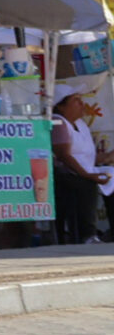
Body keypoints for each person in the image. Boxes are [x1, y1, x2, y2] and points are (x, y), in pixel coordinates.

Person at [51, 90, 111, 245]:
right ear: (61, 107)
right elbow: (64, 156)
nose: (82, 104)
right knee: (87, 185)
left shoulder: (81, 124)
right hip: (65, 173)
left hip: (84, 171)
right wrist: (88, 175)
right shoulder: (58, 123)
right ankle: (87, 235)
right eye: (76, 100)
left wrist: (108, 157)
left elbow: (87, 157)